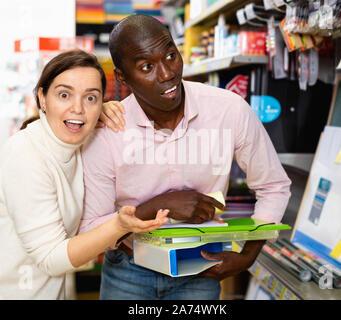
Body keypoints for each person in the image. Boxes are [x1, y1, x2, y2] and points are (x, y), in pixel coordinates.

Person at [79, 14, 291, 300]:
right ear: (122, 77)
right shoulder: (107, 130)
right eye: (146, 66)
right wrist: (160, 206)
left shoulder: (227, 109)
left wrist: (248, 255)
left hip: (200, 267)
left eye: (170, 55)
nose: (166, 73)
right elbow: (91, 227)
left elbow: (273, 186)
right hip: (129, 271)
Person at [0, 49, 168, 300]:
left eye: (90, 98)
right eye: (64, 95)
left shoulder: (74, 143)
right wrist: (117, 226)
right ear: (42, 98)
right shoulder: (24, 158)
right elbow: (50, 259)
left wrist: (102, 111)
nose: (77, 108)